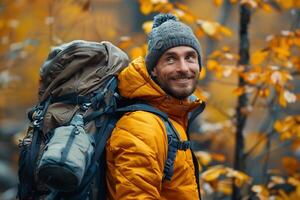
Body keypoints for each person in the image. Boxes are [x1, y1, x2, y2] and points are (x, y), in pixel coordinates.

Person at [106, 13, 204, 200]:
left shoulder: (172, 117)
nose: (183, 68)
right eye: (170, 59)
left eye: (190, 57)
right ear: (153, 69)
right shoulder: (141, 126)